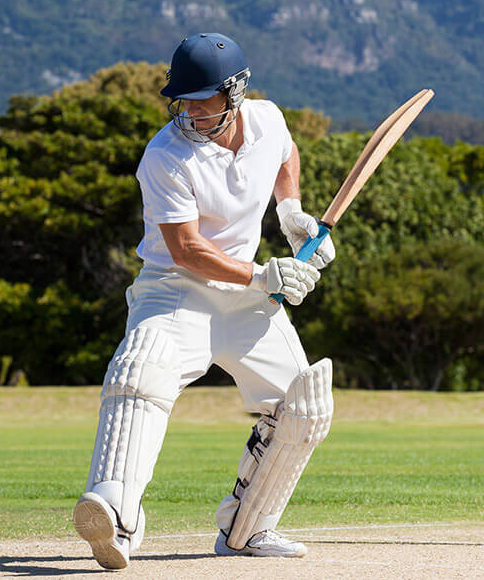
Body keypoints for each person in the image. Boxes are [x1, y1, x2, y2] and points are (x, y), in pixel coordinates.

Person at [72, 32, 336, 570]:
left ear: (235, 92)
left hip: (245, 299)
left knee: (302, 405)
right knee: (138, 376)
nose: (189, 110)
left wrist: (291, 213)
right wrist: (265, 276)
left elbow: (286, 154)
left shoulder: (267, 120)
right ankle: (115, 516)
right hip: (175, 289)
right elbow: (187, 249)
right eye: (183, 99)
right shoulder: (165, 155)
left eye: (201, 98)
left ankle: (248, 529)